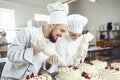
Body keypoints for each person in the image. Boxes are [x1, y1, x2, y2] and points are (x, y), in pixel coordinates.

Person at [1, 2, 69, 80]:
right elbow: (11, 55)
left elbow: (42, 71)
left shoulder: (52, 44)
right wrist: (34, 51)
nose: (62, 35)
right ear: (52, 24)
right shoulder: (27, 33)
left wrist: (48, 63)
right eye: (62, 30)